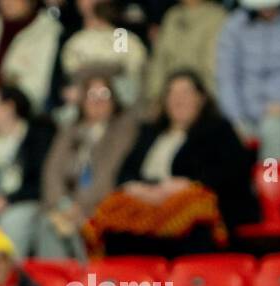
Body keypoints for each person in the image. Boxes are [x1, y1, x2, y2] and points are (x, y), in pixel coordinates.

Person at [86, 70, 257, 257]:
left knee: (195, 207)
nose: (178, 100)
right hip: (145, 201)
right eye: (172, 94)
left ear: (201, 98)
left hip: (188, 200)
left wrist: (186, 185)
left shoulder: (219, 130)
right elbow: (125, 172)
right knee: (110, 208)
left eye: (185, 93)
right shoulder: (149, 132)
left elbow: (232, 171)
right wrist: (138, 189)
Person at [38, 72, 138, 259]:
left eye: (104, 94)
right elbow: (52, 172)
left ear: (114, 99)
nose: (97, 101)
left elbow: (111, 174)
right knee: (48, 225)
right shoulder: (69, 131)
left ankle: (82, 284)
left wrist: (81, 209)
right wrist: (63, 204)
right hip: (63, 208)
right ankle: (56, 285)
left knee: (69, 229)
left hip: (100, 208)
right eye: (92, 95)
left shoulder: (123, 133)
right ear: (82, 100)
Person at [216, 0, 280, 162]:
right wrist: (235, 117)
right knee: (223, 134)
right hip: (244, 110)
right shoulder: (235, 23)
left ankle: (272, 182)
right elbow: (227, 77)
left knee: (272, 128)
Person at [0, 84, 54, 257]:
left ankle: (12, 278)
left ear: (9, 108)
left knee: (13, 221)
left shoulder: (36, 137)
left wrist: (8, 200)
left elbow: (40, 180)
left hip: (24, 202)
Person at [144, 0, 226, 114]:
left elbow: (212, 67)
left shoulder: (217, 16)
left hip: (202, 96)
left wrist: (206, 100)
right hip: (169, 93)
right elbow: (159, 61)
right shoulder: (172, 15)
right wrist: (154, 96)